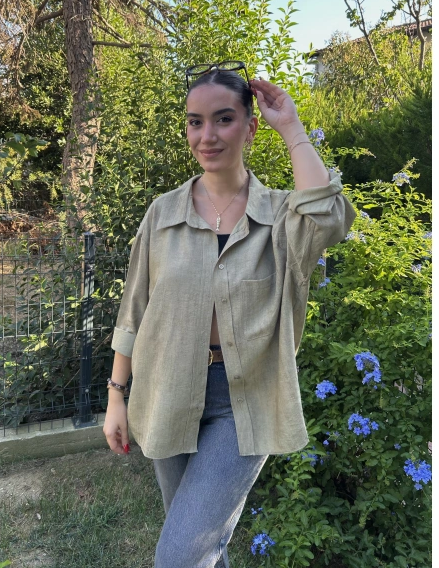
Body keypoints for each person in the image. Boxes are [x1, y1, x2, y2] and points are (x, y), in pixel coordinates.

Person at [103, 61, 356, 568]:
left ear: (250, 126)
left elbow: (328, 217)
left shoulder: (282, 217)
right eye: (195, 122)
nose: (207, 135)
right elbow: (135, 309)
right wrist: (116, 395)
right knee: (200, 549)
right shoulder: (162, 214)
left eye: (223, 119)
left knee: (179, 556)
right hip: (165, 387)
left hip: (242, 401)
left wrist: (293, 127)